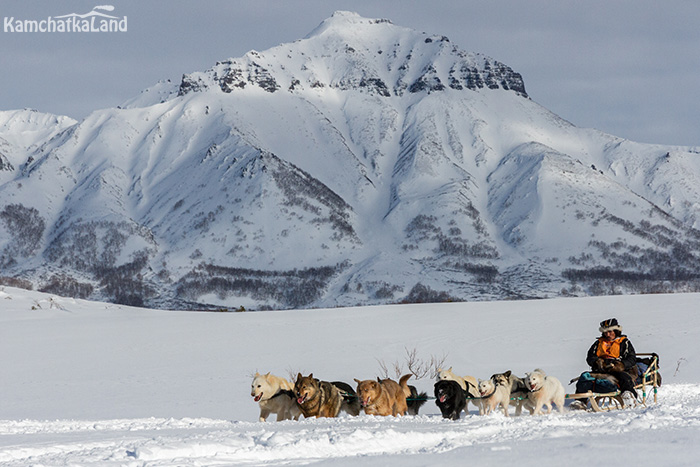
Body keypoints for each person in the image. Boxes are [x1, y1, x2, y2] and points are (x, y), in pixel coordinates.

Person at [572, 318, 639, 409]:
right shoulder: (598, 343)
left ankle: (629, 395)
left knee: (624, 377)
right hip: (602, 370)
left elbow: (631, 358)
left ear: (616, 331)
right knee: (584, 376)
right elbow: (590, 357)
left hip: (619, 370)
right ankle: (580, 401)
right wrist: (597, 362)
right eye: (605, 332)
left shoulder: (624, 342)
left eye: (610, 332)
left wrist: (620, 365)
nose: (607, 334)